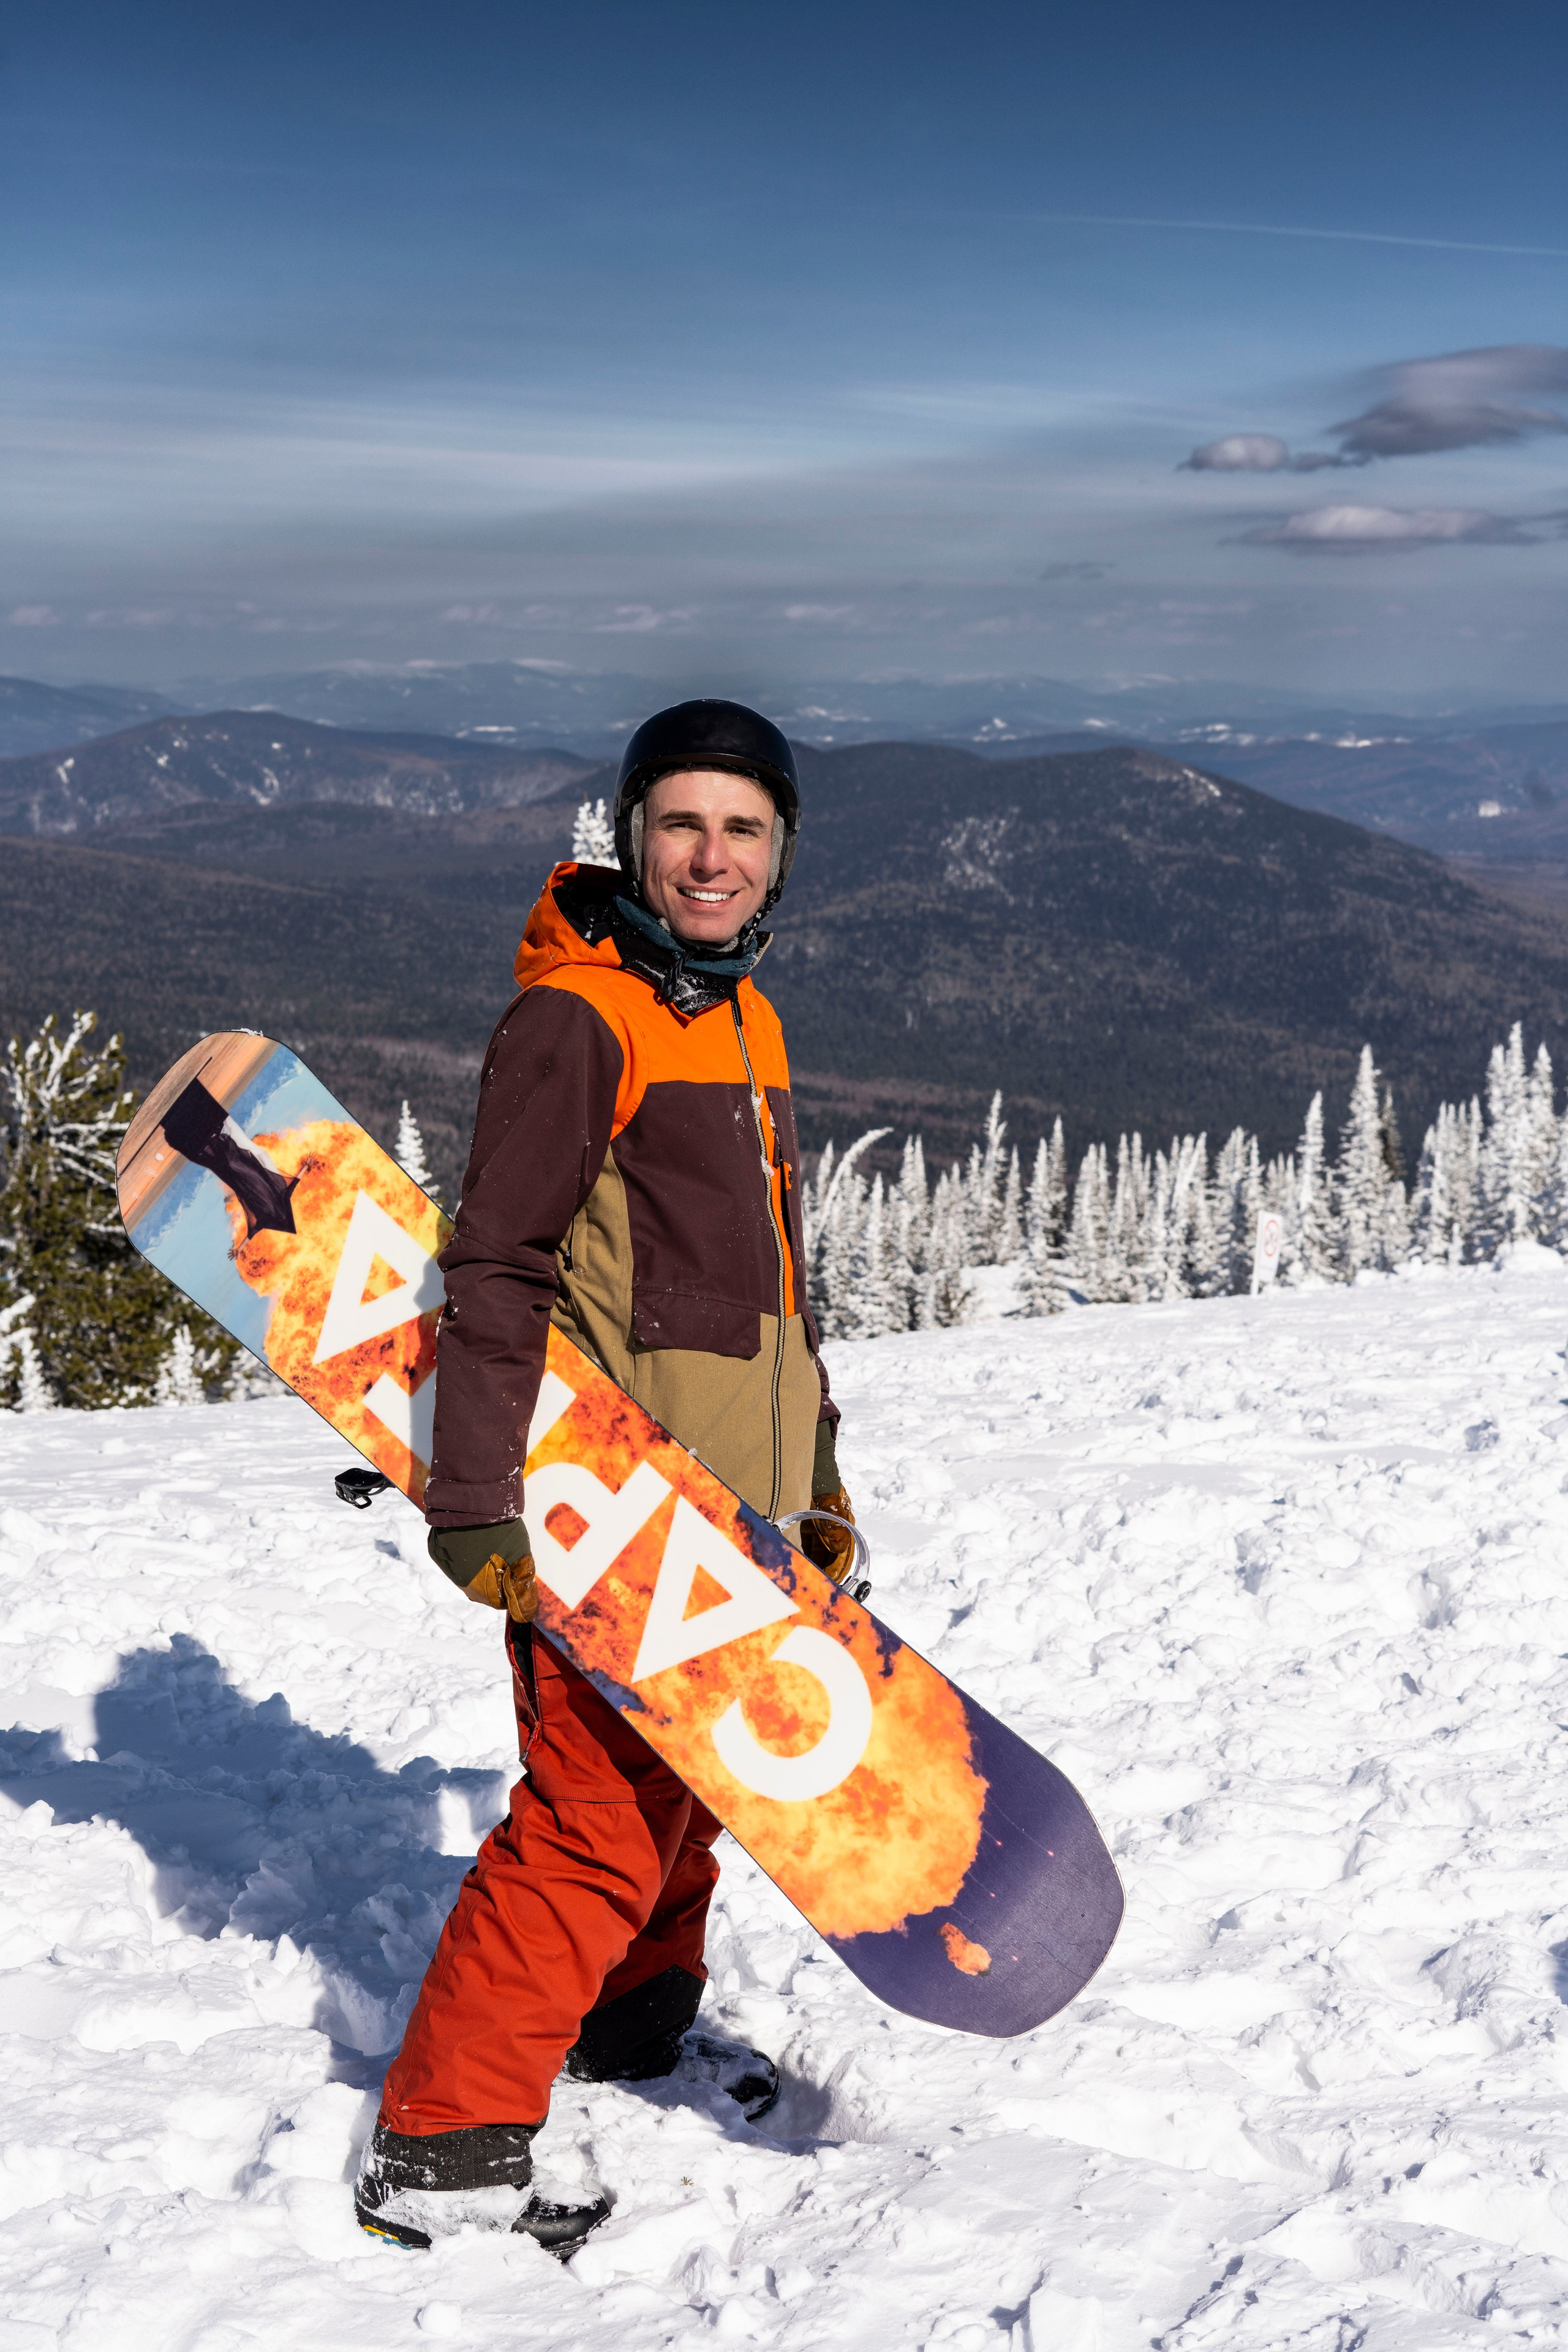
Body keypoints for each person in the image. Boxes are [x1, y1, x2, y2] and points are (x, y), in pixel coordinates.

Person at [356, 699, 856, 2255]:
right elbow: (495, 1265)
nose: (711, 857)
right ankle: (442, 2144)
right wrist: (474, 1499)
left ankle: (632, 2027)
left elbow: (771, 1288)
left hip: (735, 1507)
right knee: (589, 1817)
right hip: (605, 1497)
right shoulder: (580, 1019)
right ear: (630, 833)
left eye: (743, 829)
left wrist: (820, 1485)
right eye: (683, 823)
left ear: (778, 856)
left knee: (690, 1791)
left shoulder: (740, 1018)